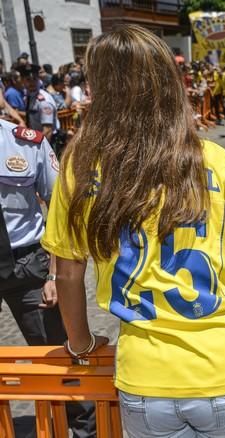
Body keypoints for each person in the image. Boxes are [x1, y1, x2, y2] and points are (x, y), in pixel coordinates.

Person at [41, 25, 225, 438]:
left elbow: (69, 274)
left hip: (145, 377)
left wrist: (80, 343)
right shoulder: (211, 159)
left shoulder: (79, 165)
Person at [0, 120, 96, 436]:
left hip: (26, 264)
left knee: (57, 353)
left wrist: (54, 273)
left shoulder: (26, 143)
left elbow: (59, 205)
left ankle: (84, 428)